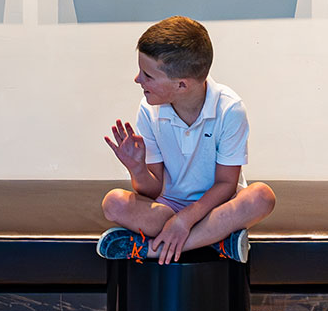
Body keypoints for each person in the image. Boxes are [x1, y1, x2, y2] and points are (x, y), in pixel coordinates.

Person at [98, 16, 276, 264]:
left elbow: (226, 183)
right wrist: (136, 168)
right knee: (114, 203)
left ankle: (155, 249)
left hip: (217, 206)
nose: (138, 79)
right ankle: (216, 240)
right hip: (168, 209)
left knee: (262, 197)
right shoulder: (149, 110)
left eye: (148, 75)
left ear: (182, 84)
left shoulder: (230, 109)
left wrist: (184, 221)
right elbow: (152, 189)